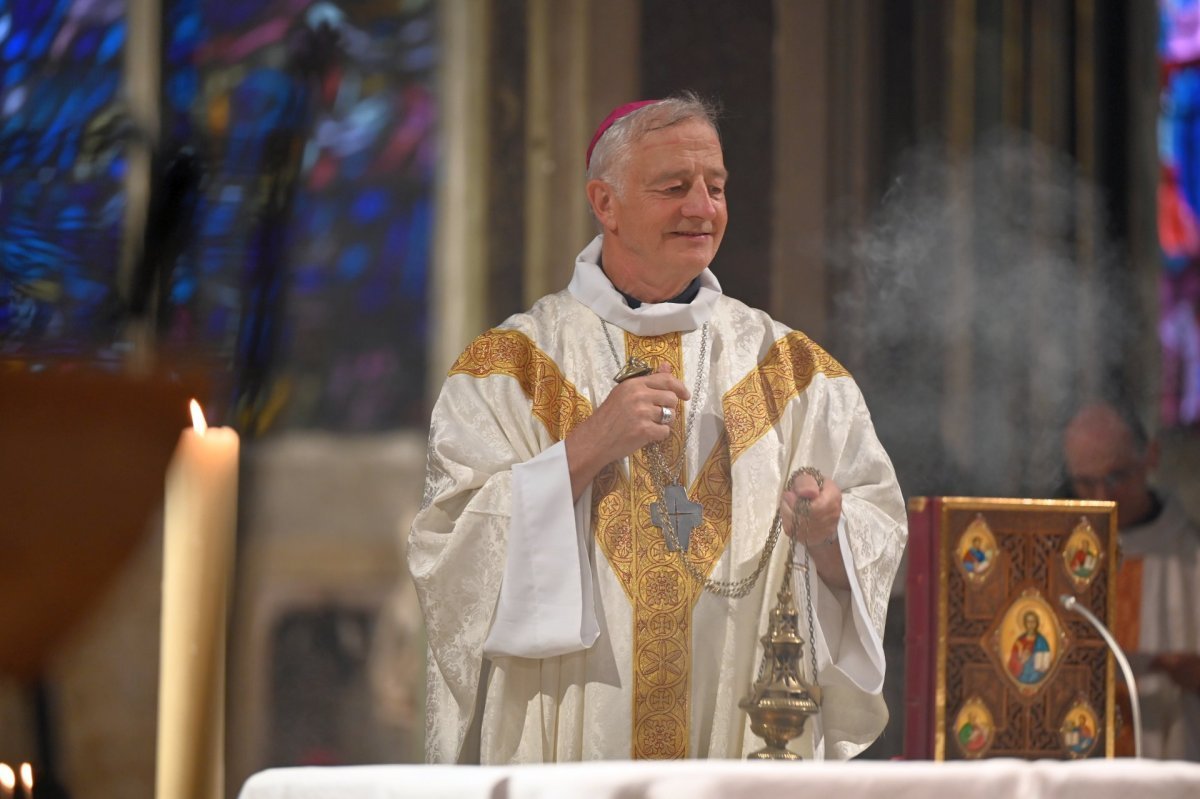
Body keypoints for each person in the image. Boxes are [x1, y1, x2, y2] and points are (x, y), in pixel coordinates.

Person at [407, 94, 907, 763]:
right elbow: (450, 556)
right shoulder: (510, 370)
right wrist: (584, 448)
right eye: (674, 187)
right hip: (574, 748)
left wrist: (829, 536)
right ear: (605, 203)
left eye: (717, 187)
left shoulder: (793, 373)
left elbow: (876, 529)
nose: (702, 207)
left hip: (740, 748)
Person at [1063, 401, 1200, 759]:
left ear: (1150, 457)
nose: (1101, 496)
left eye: (1116, 477)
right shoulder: (1055, 553)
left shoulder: (1190, 556)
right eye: (1086, 481)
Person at [1007, 611, 1051, 684]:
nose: (1031, 624)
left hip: (1039, 675)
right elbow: (1012, 662)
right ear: (1025, 623)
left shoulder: (1042, 641)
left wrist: (1032, 658)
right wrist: (1021, 661)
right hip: (1021, 675)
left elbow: (1046, 662)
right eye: (1028, 622)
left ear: (1037, 623)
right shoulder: (1019, 642)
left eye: (1033, 621)